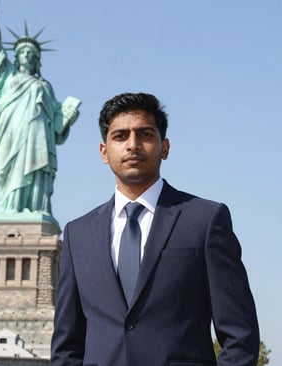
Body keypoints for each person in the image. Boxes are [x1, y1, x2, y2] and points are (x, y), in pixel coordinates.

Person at [50, 92, 259, 366]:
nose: (133, 145)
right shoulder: (78, 234)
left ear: (165, 147)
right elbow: (67, 347)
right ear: (104, 151)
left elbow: (240, 336)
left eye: (145, 134)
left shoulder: (205, 221)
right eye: (121, 136)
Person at [0, 0, 80, 216]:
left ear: (37, 60)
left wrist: (68, 117)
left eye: (31, 53)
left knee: (36, 170)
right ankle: (9, 208)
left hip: (38, 137)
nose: (27, 55)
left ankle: (36, 207)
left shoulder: (44, 86)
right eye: (23, 51)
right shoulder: (7, 75)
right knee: (8, 173)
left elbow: (57, 122)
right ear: (16, 57)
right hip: (11, 132)